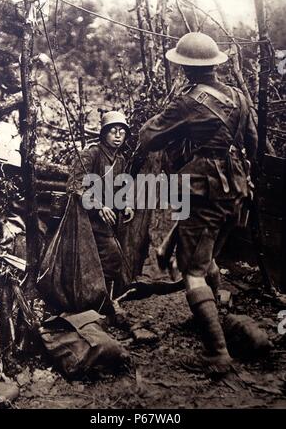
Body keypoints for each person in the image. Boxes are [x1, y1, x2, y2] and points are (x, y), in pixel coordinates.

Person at [131, 32, 258, 374]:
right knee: (209, 255)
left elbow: (148, 136)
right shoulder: (238, 97)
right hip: (237, 189)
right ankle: (217, 318)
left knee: (193, 272)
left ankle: (217, 352)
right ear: (215, 65)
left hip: (207, 191)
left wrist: (176, 124)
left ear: (186, 69)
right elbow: (252, 141)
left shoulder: (188, 102)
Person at [67, 111, 134, 305]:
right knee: (112, 256)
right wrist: (99, 206)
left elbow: (119, 189)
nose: (118, 136)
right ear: (103, 134)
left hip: (108, 221)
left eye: (122, 132)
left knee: (117, 257)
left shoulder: (120, 160)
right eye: (113, 131)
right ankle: (97, 302)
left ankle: (104, 299)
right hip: (86, 220)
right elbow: (75, 186)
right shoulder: (91, 154)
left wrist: (125, 205)